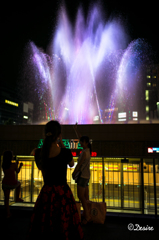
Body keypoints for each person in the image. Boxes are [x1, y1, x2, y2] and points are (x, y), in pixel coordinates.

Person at [25, 120, 85, 240]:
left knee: (44, 224)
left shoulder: (38, 154)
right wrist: (62, 144)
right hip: (63, 193)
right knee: (64, 222)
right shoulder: (65, 152)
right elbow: (72, 164)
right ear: (58, 135)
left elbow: (42, 168)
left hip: (46, 194)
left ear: (46, 133)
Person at [72, 123, 92, 225]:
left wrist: (73, 172)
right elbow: (80, 138)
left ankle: (87, 216)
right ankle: (87, 213)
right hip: (87, 176)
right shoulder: (87, 150)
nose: (80, 143)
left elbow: (79, 165)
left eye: (82, 142)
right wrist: (76, 129)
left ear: (86, 143)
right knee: (86, 197)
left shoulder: (84, 153)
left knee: (81, 196)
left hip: (82, 177)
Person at [2, 150, 23, 218]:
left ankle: (8, 214)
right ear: (10, 157)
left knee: (6, 199)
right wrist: (20, 165)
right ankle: (17, 198)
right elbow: (17, 171)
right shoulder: (13, 165)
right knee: (19, 184)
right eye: (12, 155)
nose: (13, 156)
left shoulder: (3, 165)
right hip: (12, 183)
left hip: (5, 183)